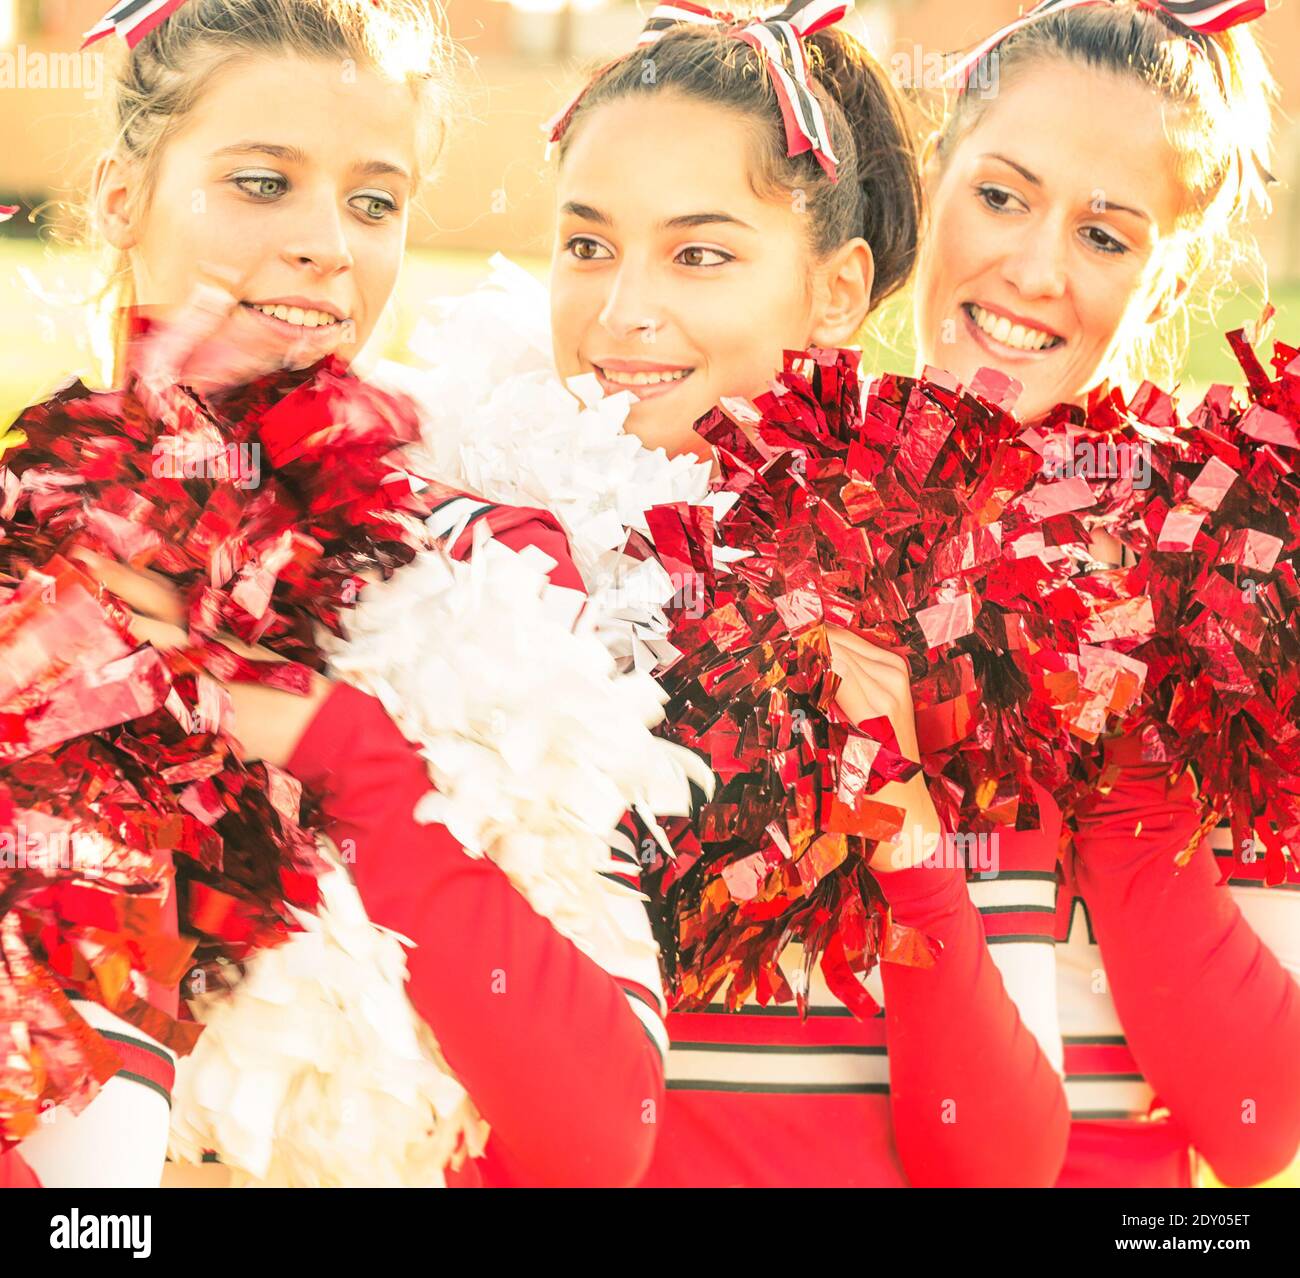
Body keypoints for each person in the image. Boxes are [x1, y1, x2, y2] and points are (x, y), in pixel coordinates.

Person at [3, 0, 676, 1188]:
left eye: (373, 201)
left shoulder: (490, 566)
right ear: (120, 198)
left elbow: (601, 1136)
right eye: (262, 183)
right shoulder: (24, 558)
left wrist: (344, 749)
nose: (328, 243)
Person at [544, 1, 1071, 1187]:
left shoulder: (948, 608)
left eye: (699, 254)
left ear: (835, 292)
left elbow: (1001, 1166)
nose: (621, 310)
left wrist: (906, 822)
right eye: (586, 245)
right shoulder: (470, 567)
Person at [911, 0, 1300, 1187]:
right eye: (999, 196)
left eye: (1103, 235)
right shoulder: (757, 512)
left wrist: (1129, 779)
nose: (1033, 271)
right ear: (931, 177)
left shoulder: (1235, 566)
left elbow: (1256, 1124)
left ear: (1167, 278)